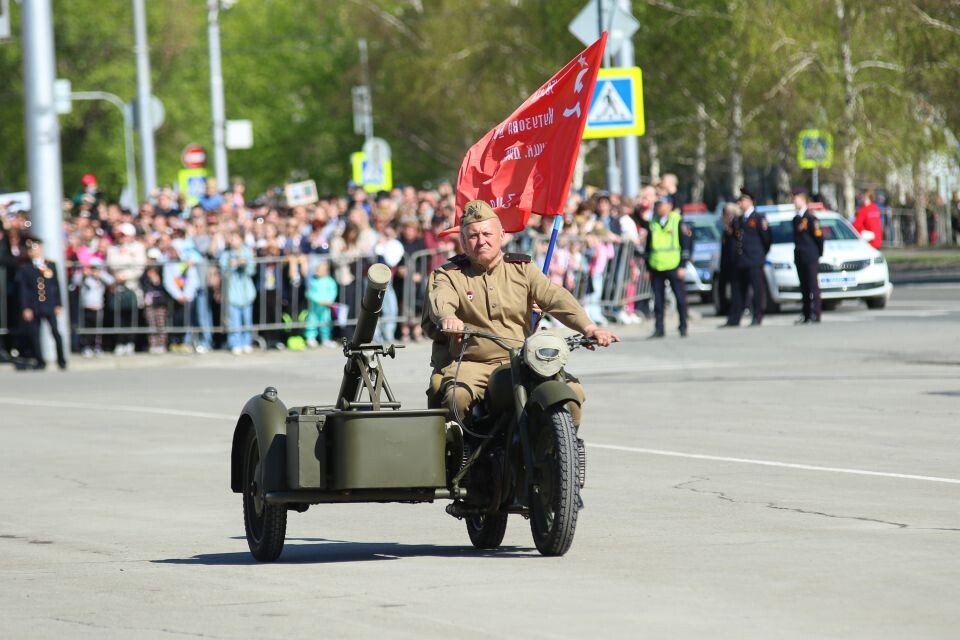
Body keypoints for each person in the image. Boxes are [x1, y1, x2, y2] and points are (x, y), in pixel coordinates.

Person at [427, 200, 618, 425]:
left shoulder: (522, 268)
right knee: (456, 398)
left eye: (487, 234)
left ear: (502, 235)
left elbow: (554, 296)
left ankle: (562, 455)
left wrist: (589, 327)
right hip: (473, 362)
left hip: (523, 360)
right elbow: (441, 298)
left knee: (572, 393)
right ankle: (462, 454)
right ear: (463, 242)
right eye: (473, 236)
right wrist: (448, 317)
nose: (481, 241)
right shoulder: (450, 274)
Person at [643, 198, 692, 338]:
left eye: (662, 205)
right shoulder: (652, 222)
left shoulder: (677, 220)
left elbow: (686, 244)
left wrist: (683, 265)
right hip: (656, 265)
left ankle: (683, 326)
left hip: (674, 265)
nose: (659, 208)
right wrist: (647, 267)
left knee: (680, 298)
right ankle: (659, 328)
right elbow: (648, 246)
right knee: (658, 300)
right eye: (657, 205)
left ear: (670, 206)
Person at [15, 236, 67, 370]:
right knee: (35, 334)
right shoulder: (25, 268)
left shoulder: (50, 265)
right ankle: (40, 361)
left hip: (49, 304)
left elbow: (56, 286)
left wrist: (58, 304)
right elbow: (24, 290)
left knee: (55, 332)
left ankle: (61, 360)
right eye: (31, 249)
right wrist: (26, 307)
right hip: (34, 305)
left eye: (36, 248)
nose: (34, 251)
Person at [723, 189, 772, 327]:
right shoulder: (739, 219)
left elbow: (767, 239)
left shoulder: (758, 218)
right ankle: (735, 318)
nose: (739, 203)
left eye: (742, 200)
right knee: (738, 290)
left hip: (754, 260)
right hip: (741, 260)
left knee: (757, 290)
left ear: (750, 201)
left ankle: (757, 316)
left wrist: (760, 254)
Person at [219, 232, 257, 354]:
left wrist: (245, 264)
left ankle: (247, 342)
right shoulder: (226, 254)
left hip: (246, 291)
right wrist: (232, 266)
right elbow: (223, 271)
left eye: (235, 238)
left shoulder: (247, 252)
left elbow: (252, 270)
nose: (233, 241)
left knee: (247, 319)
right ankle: (235, 343)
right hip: (233, 291)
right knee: (234, 320)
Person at [792, 189, 824, 324]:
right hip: (800, 256)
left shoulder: (811, 217)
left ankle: (816, 313)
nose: (794, 201)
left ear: (803, 199)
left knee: (813, 286)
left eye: (796, 198)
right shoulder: (796, 218)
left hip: (810, 256)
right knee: (804, 287)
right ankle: (806, 314)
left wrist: (818, 254)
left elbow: (819, 238)